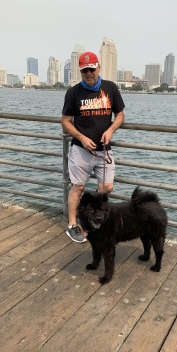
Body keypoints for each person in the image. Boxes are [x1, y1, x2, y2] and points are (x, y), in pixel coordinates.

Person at [61, 51, 125, 243]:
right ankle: (73, 224)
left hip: (104, 150)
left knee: (106, 187)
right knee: (77, 188)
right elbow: (65, 121)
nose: (88, 73)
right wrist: (81, 136)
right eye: (84, 70)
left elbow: (120, 114)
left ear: (99, 68)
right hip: (81, 150)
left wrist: (111, 130)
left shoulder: (110, 88)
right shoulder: (73, 92)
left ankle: (97, 220)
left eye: (91, 69)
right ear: (80, 72)